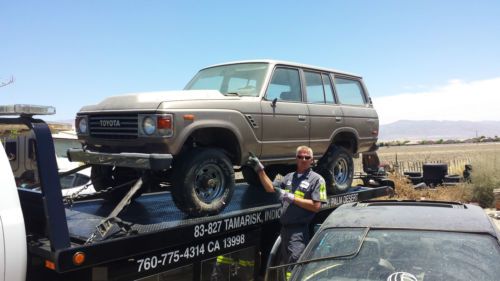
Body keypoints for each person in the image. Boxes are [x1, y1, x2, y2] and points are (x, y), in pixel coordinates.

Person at [247, 146, 327, 278]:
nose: (303, 160)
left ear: (312, 160)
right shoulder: (289, 177)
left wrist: (292, 198)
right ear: (296, 159)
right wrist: (260, 170)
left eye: (307, 157)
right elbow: (270, 188)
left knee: (295, 267)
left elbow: (316, 206)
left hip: (299, 232)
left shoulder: (317, 180)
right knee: (286, 267)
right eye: (300, 157)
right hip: (284, 230)